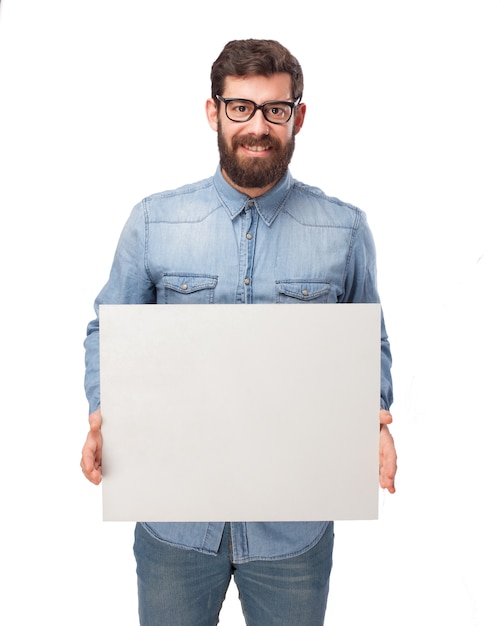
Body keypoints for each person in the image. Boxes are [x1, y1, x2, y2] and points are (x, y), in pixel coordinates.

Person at [81, 38, 397, 626]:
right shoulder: (155, 221)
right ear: (213, 112)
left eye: (275, 109)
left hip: (292, 526)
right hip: (174, 519)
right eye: (241, 107)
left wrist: (372, 415)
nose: (258, 126)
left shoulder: (344, 229)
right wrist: (106, 412)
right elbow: (109, 329)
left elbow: (367, 339)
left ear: (298, 116)